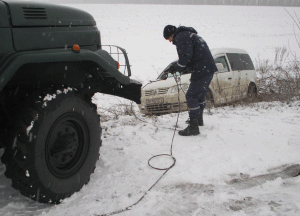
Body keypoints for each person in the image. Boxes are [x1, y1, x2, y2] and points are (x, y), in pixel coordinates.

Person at [163, 25, 217, 136]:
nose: (170, 41)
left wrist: (176, 68)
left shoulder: (181, 36)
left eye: (169, 39)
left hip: (202, 69)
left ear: (172, 34)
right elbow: (192, 56)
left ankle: (193, 127)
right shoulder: (188, 34)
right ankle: (198, 120)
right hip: (207, 68)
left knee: (191, 96)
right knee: (199, 95)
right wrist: (182, 68)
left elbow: (185, 57)